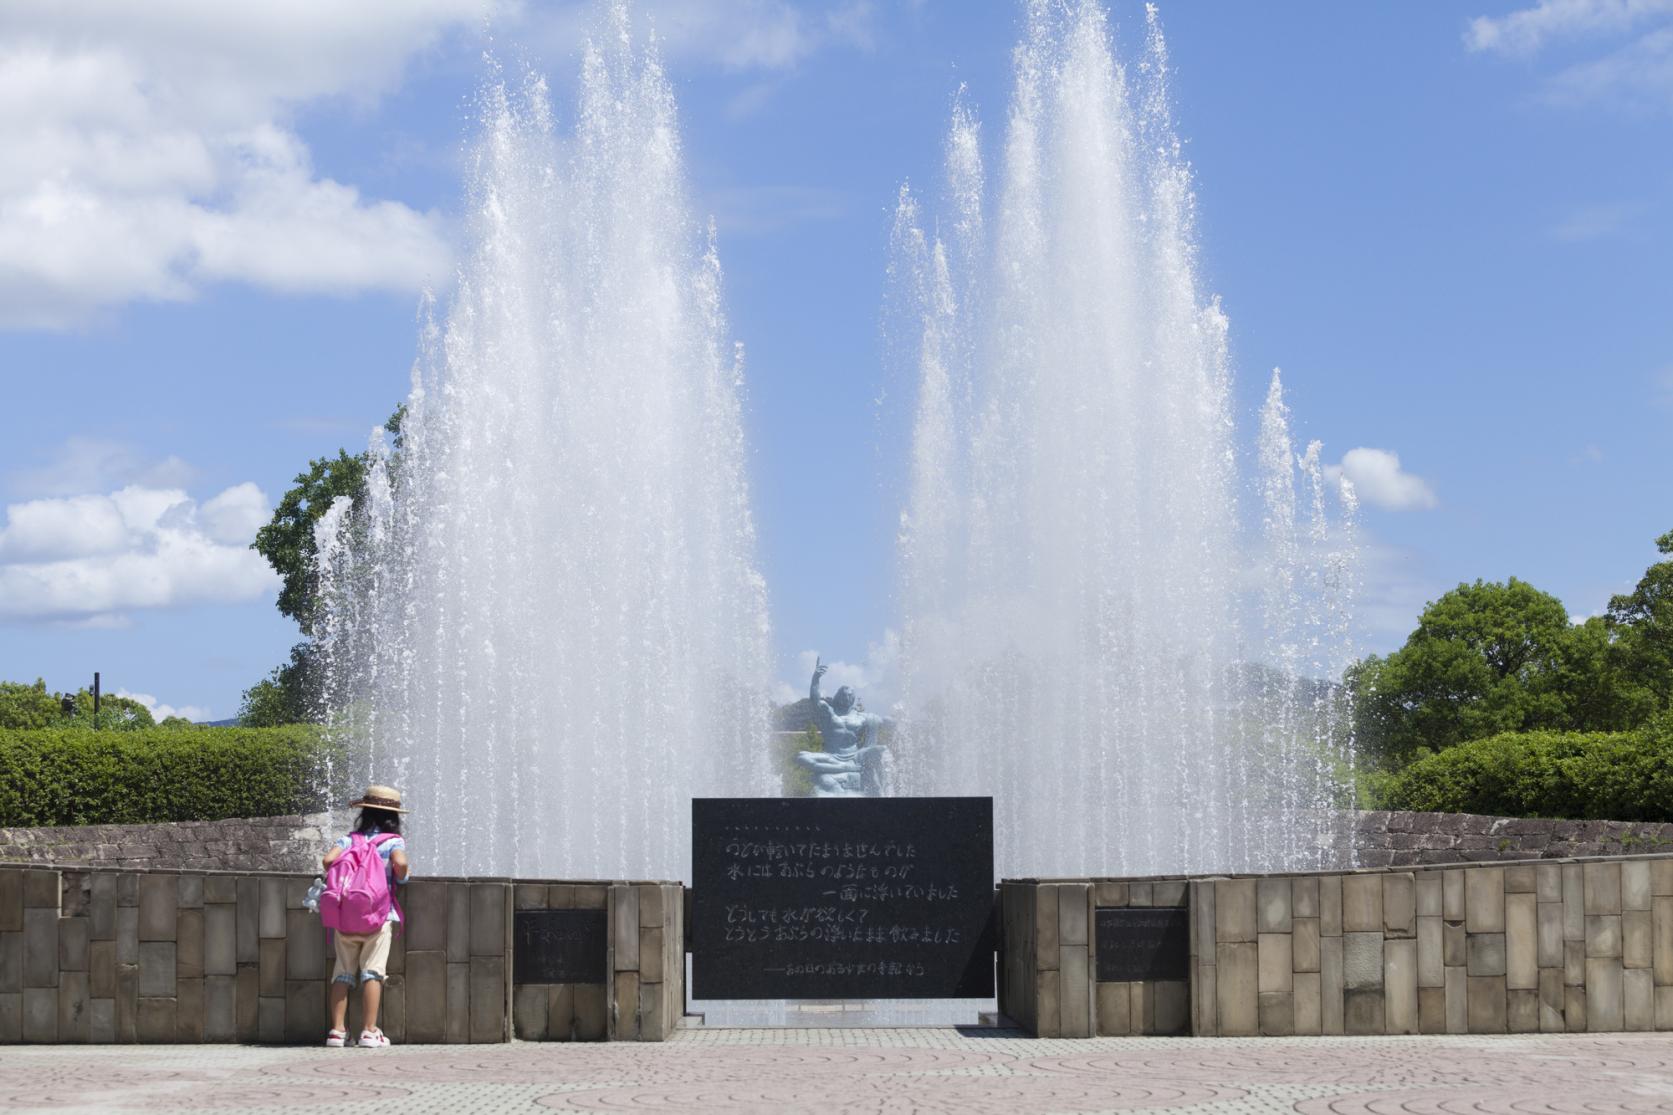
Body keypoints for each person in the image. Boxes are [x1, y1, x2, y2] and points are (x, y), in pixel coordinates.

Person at [322, 784, 410, 1048]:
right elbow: (402, 864)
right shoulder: (393, 841)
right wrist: (400, 875)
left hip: (346, 916)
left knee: (342, 972)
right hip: (379, 917)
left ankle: (337, 1031)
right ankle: (369, 1031)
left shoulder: (349, 840)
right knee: (373, 972)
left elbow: (328, 861)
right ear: (393, 817)